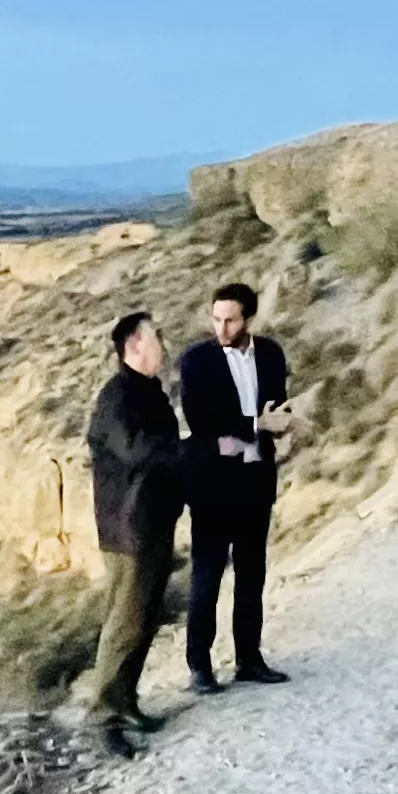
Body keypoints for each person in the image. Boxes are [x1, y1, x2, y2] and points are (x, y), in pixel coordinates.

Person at [178, 281, 293, 692]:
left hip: (256, 477)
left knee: (251, 573)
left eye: (230, 320)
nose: (222, 328)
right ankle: (199, 666)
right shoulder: (196, 361)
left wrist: (281, 422)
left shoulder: (271, 354)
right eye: (216, 319)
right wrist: (256, 425)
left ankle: (249, 658)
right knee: (207, 576)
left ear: (249, 319)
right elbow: (203, 423)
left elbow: (276, 405)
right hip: (212, 483)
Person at [83, 310, 184, 756]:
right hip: (129, 529)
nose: (163, 343)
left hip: (151, 520)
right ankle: (103, 716)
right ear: (134, 346)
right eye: (155, 337)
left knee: (142, 619)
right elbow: (137, 450)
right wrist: (187, 447)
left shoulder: (147, 391)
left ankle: (126, 702)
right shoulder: (118, 397)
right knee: (124, 623)